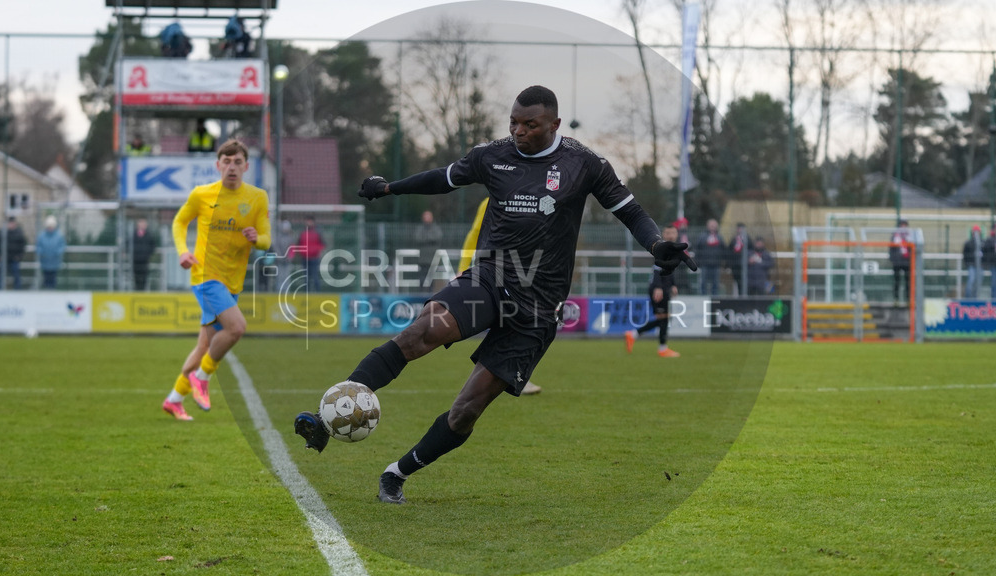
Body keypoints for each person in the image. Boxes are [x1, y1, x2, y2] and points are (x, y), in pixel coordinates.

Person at [292, 85, 696, 504]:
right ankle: (327, 418)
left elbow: (629, 210)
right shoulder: (493, 155)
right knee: (420, 333)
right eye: (514, 123)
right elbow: (443, 180)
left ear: (554, 124)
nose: (519, 131)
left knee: (467, 410)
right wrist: (390, 188)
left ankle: (396, 474)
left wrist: (656, 246)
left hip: (539, 307)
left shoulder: (584, 164)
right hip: (492, 277)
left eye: (530, 125)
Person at [161, 139, 271, 421]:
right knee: (236, 328)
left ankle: (174, 399)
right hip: (205, 276)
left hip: (232, 282)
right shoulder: (202, 194)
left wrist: (256, 239)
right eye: (226, 161)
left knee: (203, 346)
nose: (231, 167)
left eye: (237, 162)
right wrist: (183, 251)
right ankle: (201, 377)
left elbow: (267, 240)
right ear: (217, 165)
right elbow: (179, 222)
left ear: (246, 166)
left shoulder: (258, 197)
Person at [457, 196, 541, 395]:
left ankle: (509, 374)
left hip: (521, 270)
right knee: (510, 322)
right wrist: (463, 267)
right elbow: (474, 234)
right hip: (494, 268)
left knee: (513, 323)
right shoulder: (490, 200)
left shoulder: (531, 199)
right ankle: (508, 374)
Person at [625, 226, 681, 358]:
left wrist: (673, 285)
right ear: (663, 234)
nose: (671, 235)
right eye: (668, 233)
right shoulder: (662, 247)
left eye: (673, 232)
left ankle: (634, 335)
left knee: (664, 319)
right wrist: (658, 287)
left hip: (664, 288)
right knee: (664, 319)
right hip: (659, 288)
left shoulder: (672, 248)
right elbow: (656, 268)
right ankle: (660, 348)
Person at [413, 209, 444, 292]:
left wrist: (426, 238)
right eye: (425, 216)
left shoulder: (436, 228)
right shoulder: (420, 228)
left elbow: (438, 237)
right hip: (422, 259)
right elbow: (417, 238)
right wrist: (430, 239)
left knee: (432, 280)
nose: (427, 218)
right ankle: (420, 295)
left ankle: (430, 296)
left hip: (433, 258)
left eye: (428, 216)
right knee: (421, 279)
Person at [0, 216, 27, 290]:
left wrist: (19, 256)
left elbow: (23, 246)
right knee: (1, 275)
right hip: (4, 258)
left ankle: (17, 290)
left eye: (12, 223)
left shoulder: (19, 233)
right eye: (9, 223)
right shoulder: (2, 233)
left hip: (14, 258)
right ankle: (0, 289)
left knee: (16, 274)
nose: (11, 224)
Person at [694, 218, 725, 296]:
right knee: (703, 282)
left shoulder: (719, 237)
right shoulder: (702, 237)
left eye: (714, 225)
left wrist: (722, 261)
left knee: (715, 283)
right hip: (705, 264)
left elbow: (724, 249)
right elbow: (697, 249)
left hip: (716, 264)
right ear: (707, 226)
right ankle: (703, 297)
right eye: (711, 225)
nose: (713, 227)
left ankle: (715, 298)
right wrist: (698, 261)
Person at [295, 216, 325, 292]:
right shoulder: (302, 232)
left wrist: (315, 250)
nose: (308, 223)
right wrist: (301, 252)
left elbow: (323, 244)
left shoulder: (318, 232)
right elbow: (298, 244)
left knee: (315, 277)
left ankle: (318, 293)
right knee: (306, 278)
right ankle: (306, 294)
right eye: (307, 221)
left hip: (314, 258)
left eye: (310, 221)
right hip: (305, 258)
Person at [35, 215, 66, 289]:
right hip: (45, 261)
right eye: (49, 226)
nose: (50, 228)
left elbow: (62, 246)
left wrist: (57, 252)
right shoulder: (41, 235)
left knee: (53, 279)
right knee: (46, 279)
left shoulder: (59, 235)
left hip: (55, 261)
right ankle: (46, 293)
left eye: (51, 226)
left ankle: (52, 292)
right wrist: (41, 252)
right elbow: (38, 246)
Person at [889, 220, 912, 305]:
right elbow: (891, 249)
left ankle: (908, 299)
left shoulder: (910, 236)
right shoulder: (895, 236)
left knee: (908, 282)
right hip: (897, 262)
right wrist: (892, 260)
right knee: (896, 281)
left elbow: (913, 250)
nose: (903, 227)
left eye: (905, 225)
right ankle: (896, 299)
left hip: (907, 262)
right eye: (902, 225)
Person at [132, 218, 157, 291]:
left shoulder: (149, 235)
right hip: (135, 259)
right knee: (136, 276)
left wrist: (148, 254)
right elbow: (128, 244)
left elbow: (153, 246)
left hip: (145, 260)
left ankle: (143, 290)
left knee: (144, 276)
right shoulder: (133, 235)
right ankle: (137, 290)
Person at [727, 222, 749, 296]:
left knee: (745, 281)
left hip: (745, 265)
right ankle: (739, 295)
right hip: (735, 265)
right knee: (737, 281)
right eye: (739, 228)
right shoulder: (734, 239)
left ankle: (744, 295)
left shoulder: (747, 239)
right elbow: (729, 251)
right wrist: (729, 264)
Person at [983, 222, 996, 300]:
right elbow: (986, 250)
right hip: (994, 264)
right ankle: (994, 299)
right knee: (994, 282)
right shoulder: (990, 239)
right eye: (995, 229)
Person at [962, 225, 983, 299]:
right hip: (971, 265)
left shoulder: (982, 242)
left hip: (979, 266)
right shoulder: (969, 243)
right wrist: (967, 263)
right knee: (971, 280)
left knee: (978, 282)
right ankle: (968, 297)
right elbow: (965, 254)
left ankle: (975, 297)